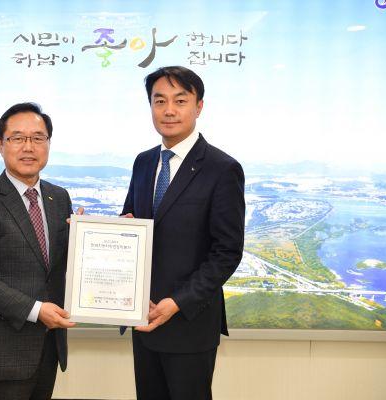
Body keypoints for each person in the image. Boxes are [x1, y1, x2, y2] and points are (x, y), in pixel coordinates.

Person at [122, 66, 245, 400]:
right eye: (159, 100)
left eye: (180, 100)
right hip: (144, 317)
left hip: (189, 322)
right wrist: (97, 232)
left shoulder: (222, 169)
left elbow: (227, 252)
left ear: (198, 106)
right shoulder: (144, 162)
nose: (169, 110)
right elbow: (131, 222)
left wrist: (176, 302)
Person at [0, 102, 77, 400]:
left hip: (48, 348)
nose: (29, 147)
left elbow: (59, 264)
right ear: (1, 144)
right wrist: (37, 311)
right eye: (18, 138)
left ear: (48, 143)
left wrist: (100, 234)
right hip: (2, 353)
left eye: (38, 138)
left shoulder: (59, 197)